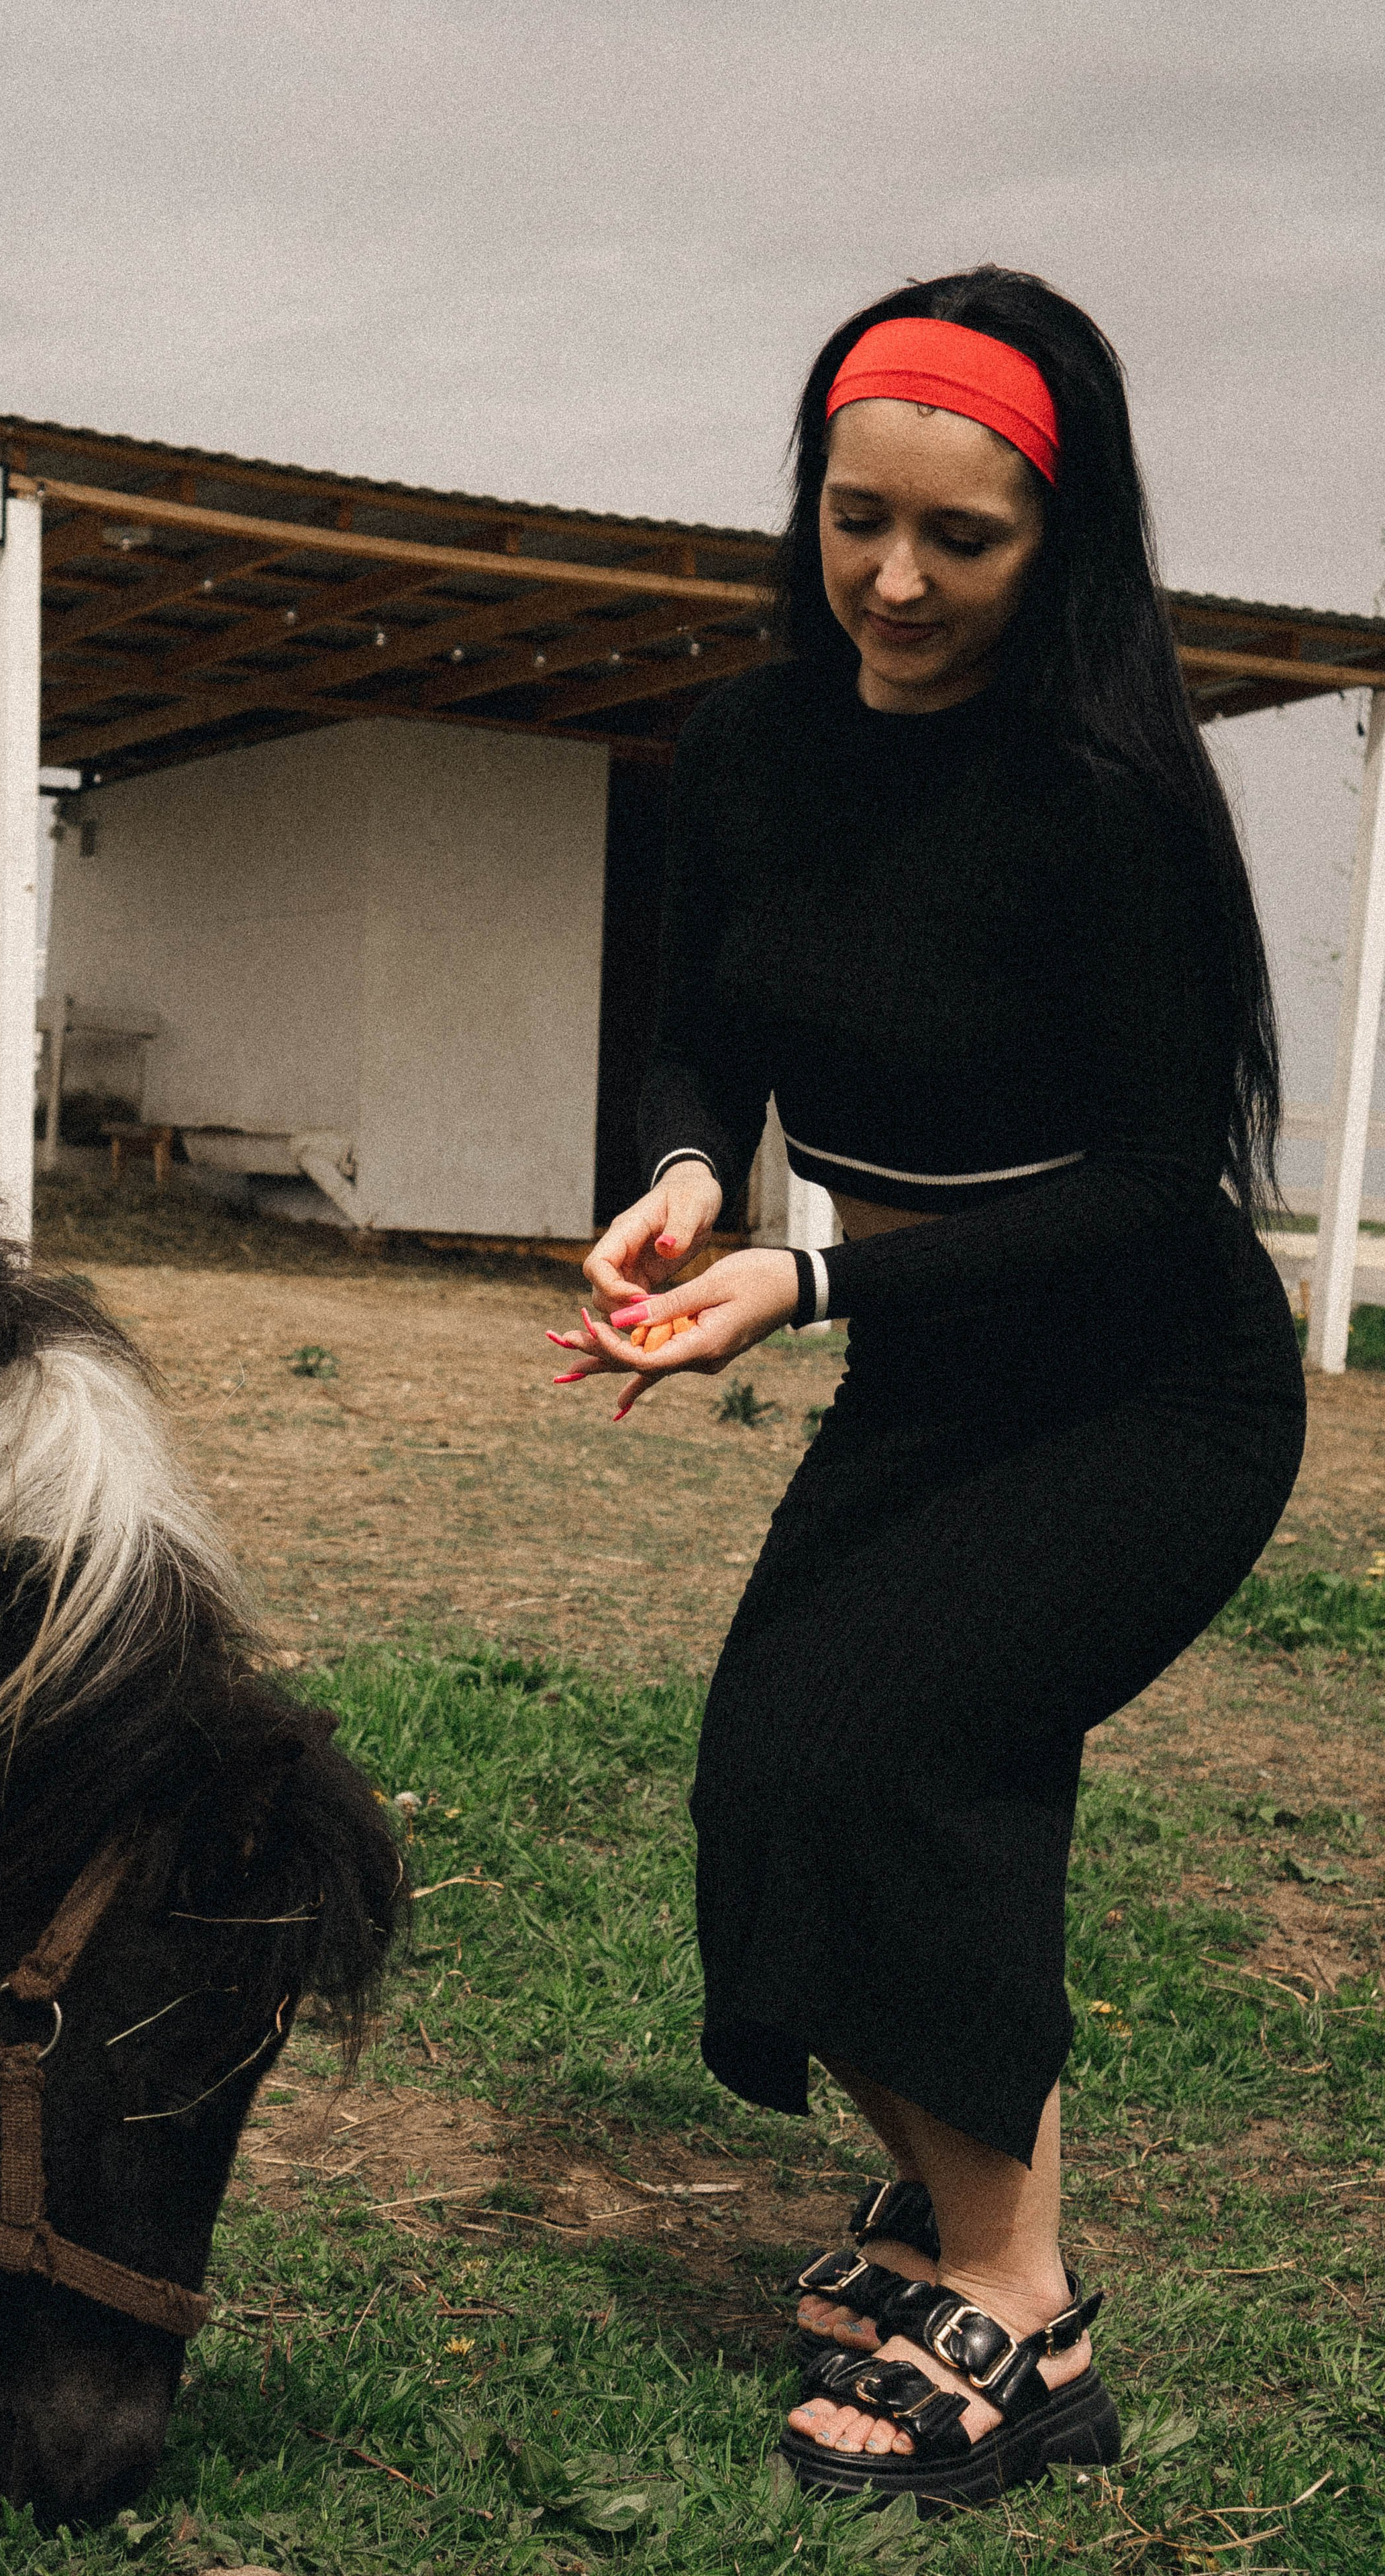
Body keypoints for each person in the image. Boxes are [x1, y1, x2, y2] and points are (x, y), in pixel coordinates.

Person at [548, 266, 1305, 2512]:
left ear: (1058, 543)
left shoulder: (1110, 805)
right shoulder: (754, 748)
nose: (891, 579)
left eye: (958, 539)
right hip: (935, 1372)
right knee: (769, 1777)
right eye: (854, 518)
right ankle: (940, 2200)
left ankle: (1020, 2304)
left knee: (893, 1763)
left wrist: (807, 1279)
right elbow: (700, 1039)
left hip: (1147, 1396)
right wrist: (687, 1180)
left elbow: (1157, 1193)